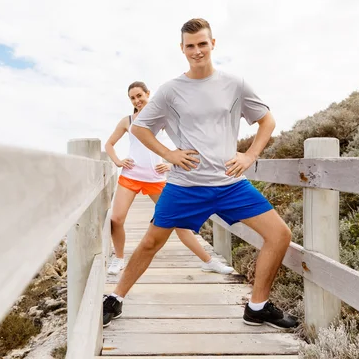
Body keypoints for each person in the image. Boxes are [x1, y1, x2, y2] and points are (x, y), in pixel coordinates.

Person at [102, 18, 298, 330]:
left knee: (280, 235)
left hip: (230, 184)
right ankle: (115, 299)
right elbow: (139, 128)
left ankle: (257, 306)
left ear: (213, 44)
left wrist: (250, 155)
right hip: (186, 185)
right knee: (151, 242)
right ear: (182, 49)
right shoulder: (170, 91)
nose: (197, 51)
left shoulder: (235, 85)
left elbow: (267, 121)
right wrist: (168, 154)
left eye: (202, 44)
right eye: (190, 46)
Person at [104, 81, 233, 281]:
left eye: (140, 95)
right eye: (133, 98)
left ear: (148, 93)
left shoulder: (162, 118)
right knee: (116, 219)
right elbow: (109, 144)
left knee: (180, 223)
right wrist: (118, 161)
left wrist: (171, 164)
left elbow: (186, 143)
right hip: (130, 176)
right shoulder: (127, 120)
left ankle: (209, 262)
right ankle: (119, 259)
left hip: (156, 178)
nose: (137, 100)